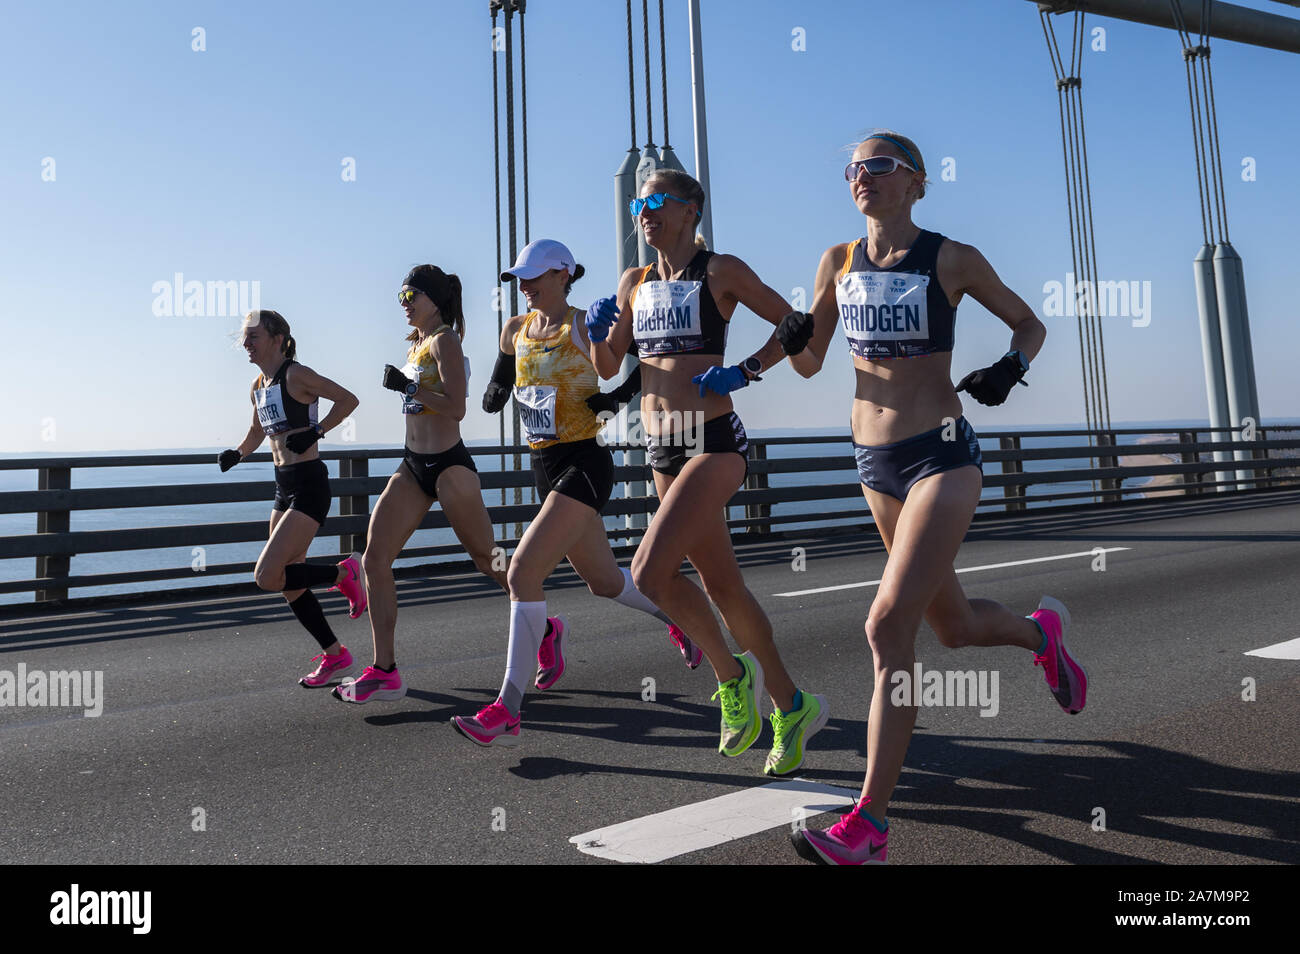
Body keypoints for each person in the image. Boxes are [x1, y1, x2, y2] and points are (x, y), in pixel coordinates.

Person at [780, 130, 1088, 864]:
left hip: (941, 456)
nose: (864, 176)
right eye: (854, 167)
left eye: (880, 166)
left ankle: (872, 825)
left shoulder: (951, 257)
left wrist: (1010, 367)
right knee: (951, 629)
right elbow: (810, 362)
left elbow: (1029, 322)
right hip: (871, 463)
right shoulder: (837, 261)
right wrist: (792, 333)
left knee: (887, 627)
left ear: (917, 181)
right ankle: (1041, 635)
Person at [587, 169, 828, 776]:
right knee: (720, 587)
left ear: (691, 211)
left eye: (657, 201)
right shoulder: (634, 281)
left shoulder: (721, 271)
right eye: (639, 201)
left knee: (647, 570)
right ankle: (791, 705)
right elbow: (611, 364)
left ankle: (730, 673)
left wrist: (744, 371)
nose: (644, 211)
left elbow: (797, 323)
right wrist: (595, 333)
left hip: (713, 443)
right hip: (660, 448)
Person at [451, 239, 703, 746]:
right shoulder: (514, 329)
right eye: (519, 277)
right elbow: (501, 378)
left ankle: (508, 707)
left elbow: (643, 361)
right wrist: (496, 391)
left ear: (564, 274)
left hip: (584, 463)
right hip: (542, 465)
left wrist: (614, 400)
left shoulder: (587, 323)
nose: (524, 285)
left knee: (522, 571)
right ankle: (680, 620)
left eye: (534, 276)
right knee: (606, 582)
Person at [332, 265, 509, 704]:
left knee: (489, 562)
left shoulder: (446, 340)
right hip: (412, 465)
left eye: (411, 295)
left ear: (433, 299)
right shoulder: (418, 344)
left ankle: (543, 626)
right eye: (401, 297)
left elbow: (457, 408)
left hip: (450, 466)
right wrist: (408, 384)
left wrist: (408, 385)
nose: (404, 304)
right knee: (374, 558)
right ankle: (385, 671)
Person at [219, 309, 364, 688]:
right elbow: (256, 431)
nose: (246, 344)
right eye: (244, 338)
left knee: (267, 575)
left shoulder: (297, 375)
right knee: (289, 582)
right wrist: (237, 453)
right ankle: (336, 655)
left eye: (253, 337)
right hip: (282, 487)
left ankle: (344, 573)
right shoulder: (258, 385)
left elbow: (348, 400)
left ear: (278, 338)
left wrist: (316, 430)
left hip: (310, 486)